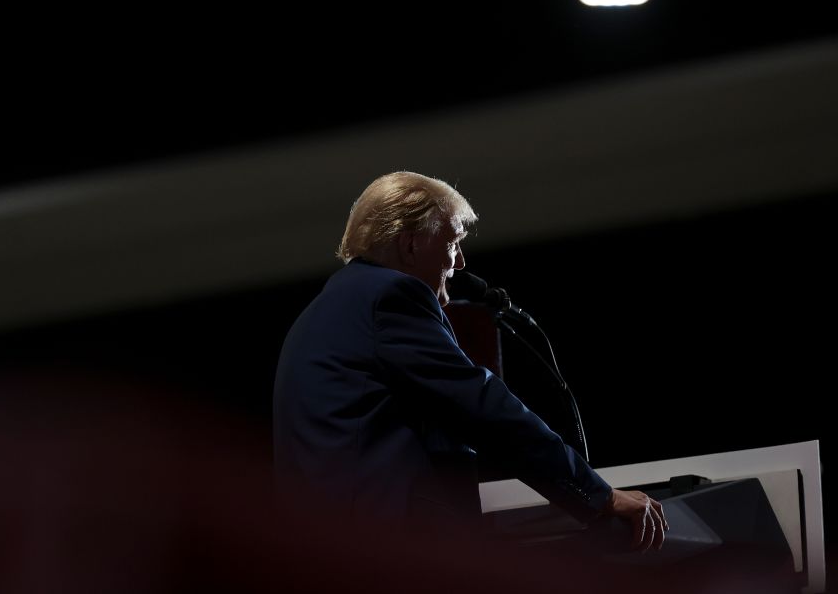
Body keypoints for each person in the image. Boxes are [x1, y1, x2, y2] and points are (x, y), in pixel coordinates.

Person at [273, 171, 667, 550]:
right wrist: (599, 496)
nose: (460, 262)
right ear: (410, 245)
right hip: (389, 552)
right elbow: (485, 408)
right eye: (453, 242)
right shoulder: (390, 298)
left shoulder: (330, 307)